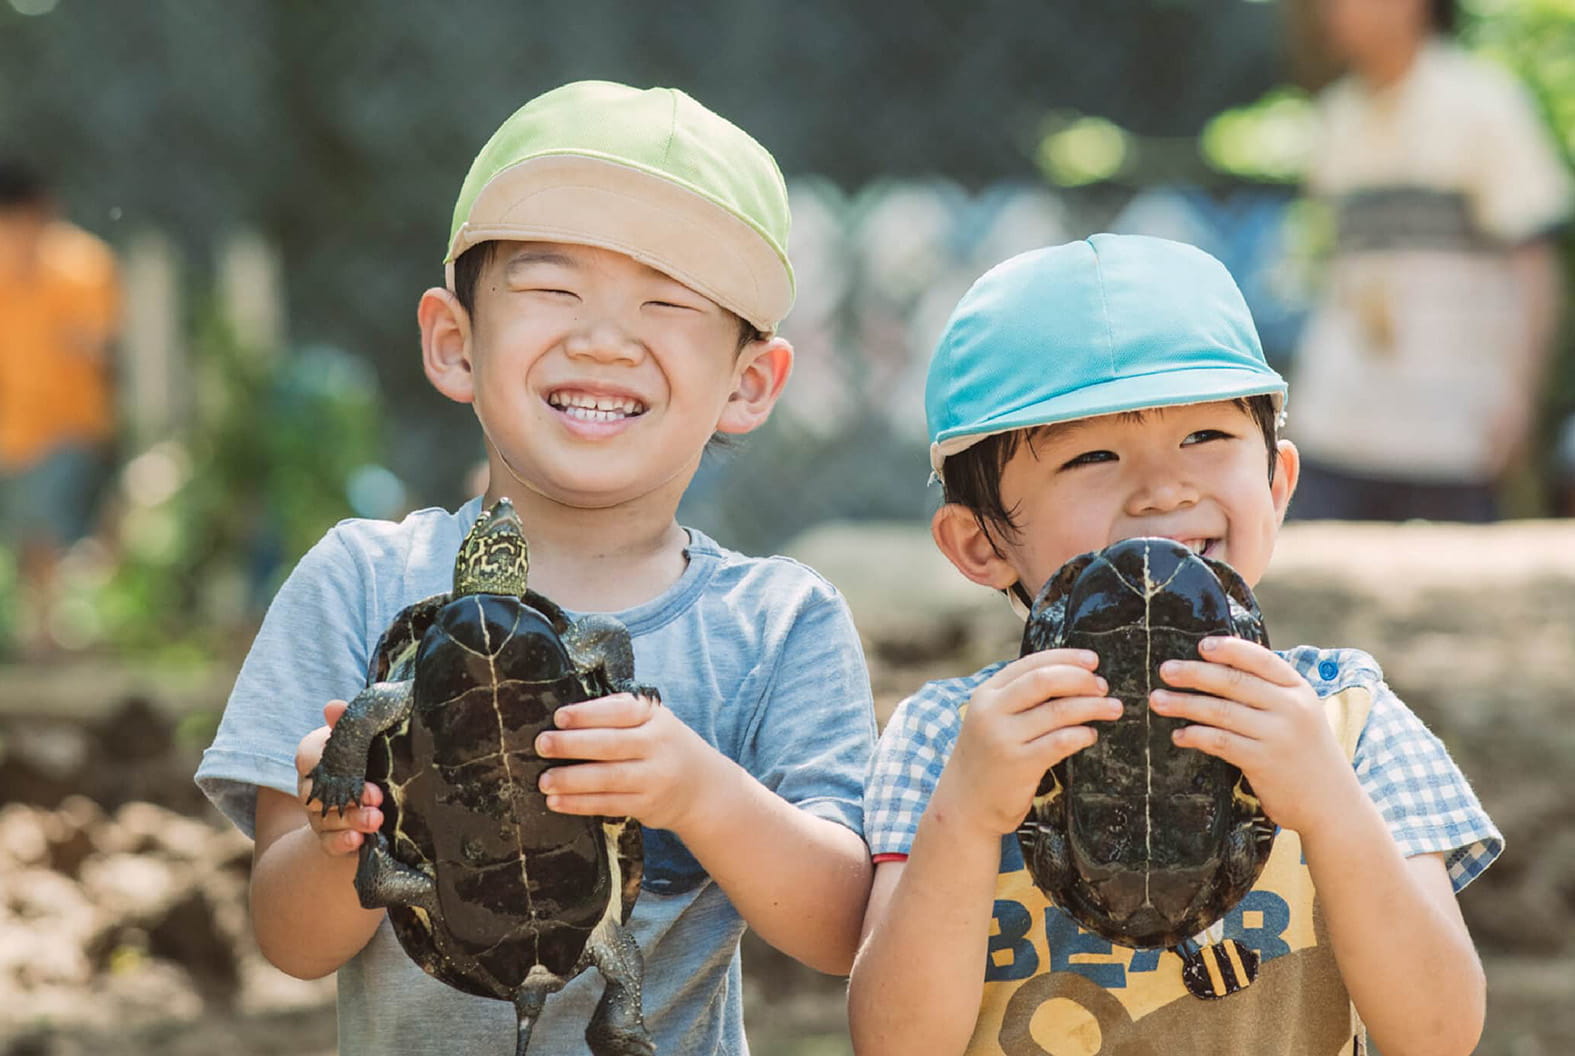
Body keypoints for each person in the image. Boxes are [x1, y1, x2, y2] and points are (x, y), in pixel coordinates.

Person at [195, 80, 876, 1055]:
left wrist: (696, 792)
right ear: (454, 342)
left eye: (667, 301)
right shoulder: (359, 579)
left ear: (749, 381)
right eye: (555, 289)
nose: (604, 339)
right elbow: (289, 942)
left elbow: (842, 931)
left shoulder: (777, 621)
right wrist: (345, 833)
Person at [850, 235, 1501, 1055]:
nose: (1163, 488)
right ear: (979, 543)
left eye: (1205, 437)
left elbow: (1438, 1034)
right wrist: (969, 816)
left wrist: (1329, 804)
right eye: (1092, 455)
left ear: (1276, 483)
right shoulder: (947, 739)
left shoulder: (1349, 720)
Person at [1288, 0, 1571, 521]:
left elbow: (1534, 264)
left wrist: (1520, 398)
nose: (1333, 13)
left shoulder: (1484, 103)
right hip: (1339, 423)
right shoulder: (1336, 116)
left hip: (1452, 431)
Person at [0, 158, 119, 654]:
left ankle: (54, 631)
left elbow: (102, 343)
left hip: (70, 427)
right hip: (14, 432)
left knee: (50, 528)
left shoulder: (82, 265)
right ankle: (42, 633)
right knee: (28, 538)